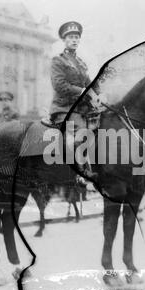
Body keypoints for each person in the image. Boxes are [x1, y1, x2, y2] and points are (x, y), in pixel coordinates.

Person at [43, 21, 101, 179]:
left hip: (81, 109)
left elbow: (91, 84)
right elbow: (59, 85)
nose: (74, 40)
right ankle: (79, 174)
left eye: (77, 37)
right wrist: (82, 91)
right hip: (64, 109)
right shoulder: (58, 61)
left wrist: (99, 95)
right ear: (64, 40)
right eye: (71, 37)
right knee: (81, 133)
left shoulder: (81, 64)